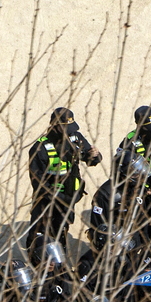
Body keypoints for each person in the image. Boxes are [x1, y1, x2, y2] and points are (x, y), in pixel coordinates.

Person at [27, 107, 102, 252]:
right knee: (39, 237)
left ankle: (59, 265)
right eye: (65, 129)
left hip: (68, 198)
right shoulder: (39, 149)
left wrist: (94, 155)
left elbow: (90, 159)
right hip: (46, 203)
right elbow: (39, 185)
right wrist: (60, 198)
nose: (70, 133)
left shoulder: (75, 137)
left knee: (60, 234)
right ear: (54, 126)